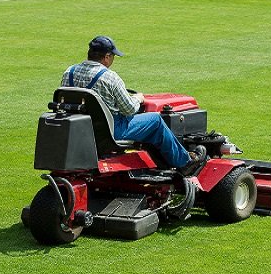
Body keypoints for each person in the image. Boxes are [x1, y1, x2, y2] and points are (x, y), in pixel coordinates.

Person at [60, 35, 206, 176]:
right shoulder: (109, 77)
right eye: (113, 57)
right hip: (110, 132)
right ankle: (184, 162)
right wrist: (138, 98)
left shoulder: (69, 72)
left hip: (80, 130)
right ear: (106, 57)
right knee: (155, 120)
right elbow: (129, 109)